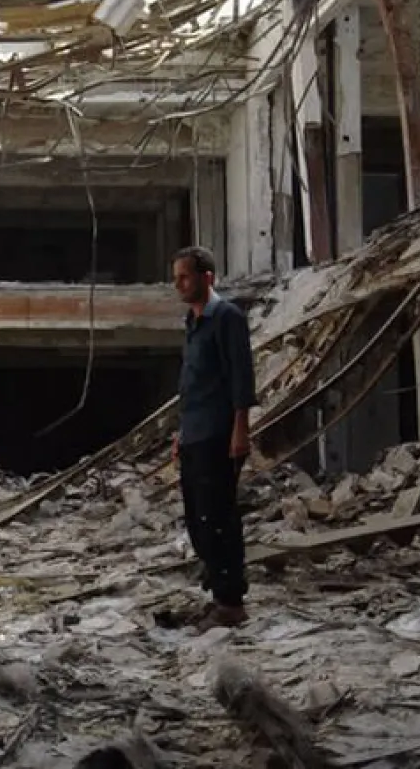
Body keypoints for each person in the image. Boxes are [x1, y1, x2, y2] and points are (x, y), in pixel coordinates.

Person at [171, 245, 255, 631]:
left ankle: (231, 601)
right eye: (175, 278)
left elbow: (241, 376)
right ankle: (218, 592)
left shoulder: (227, 319)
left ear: (206, 277)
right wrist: (180, 433)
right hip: (194, 433)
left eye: (184, 277)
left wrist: (241, 428)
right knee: (197, 518)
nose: (178, 285)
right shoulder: (193, 322)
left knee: (219, 516)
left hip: (219, 433)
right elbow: (191, 384)